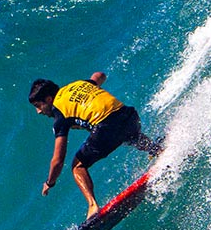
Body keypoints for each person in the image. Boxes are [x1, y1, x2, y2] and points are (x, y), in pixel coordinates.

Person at [29, 72, 161, 219]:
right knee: (130, 135)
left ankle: (92, 205)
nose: (38, 111)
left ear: (48, 99)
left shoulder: (59, 113)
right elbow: (99, 75)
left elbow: (58, 160)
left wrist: (50, 182)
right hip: (129, 115)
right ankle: (159, 150)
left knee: (77, 166)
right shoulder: (78, 85)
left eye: (38, 106)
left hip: (106, 127)